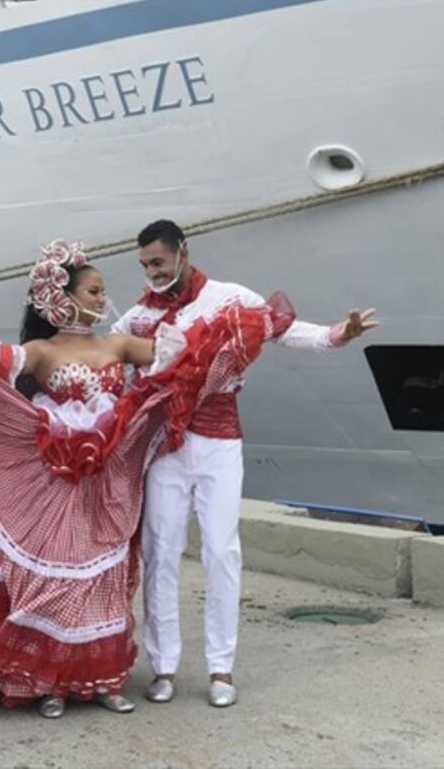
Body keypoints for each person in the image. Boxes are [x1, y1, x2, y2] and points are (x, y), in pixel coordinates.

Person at [0, 239, 299, 718]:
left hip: (111, 477)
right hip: (57, 480)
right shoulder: (41, 351)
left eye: (101, 291)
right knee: (59, 576)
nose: (101, 300)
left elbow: (186, 358)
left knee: (107, 574)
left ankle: (103, 681)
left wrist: (246, 331)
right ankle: (49, 681)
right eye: (92, 291)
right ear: (61, 298)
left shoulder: (118, 343)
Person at [112, 220, 378, 708]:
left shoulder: (229, 298)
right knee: (161, 551)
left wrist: (341, 334)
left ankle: (220, 667)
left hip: (219, 441)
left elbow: (287, 331)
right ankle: (164, 666)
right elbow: (107, 367)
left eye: (159, 262)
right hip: (164, 446)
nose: (152, 273)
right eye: (145, 265)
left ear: (183, 253)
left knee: (221, 550)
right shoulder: (133, 319)